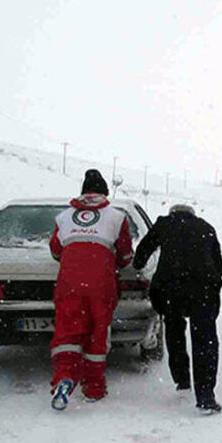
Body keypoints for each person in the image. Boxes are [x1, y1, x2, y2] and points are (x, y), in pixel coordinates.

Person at [47, 169, 133, 410]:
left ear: (83, 192)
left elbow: (55, 250)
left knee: (67, 332)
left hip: (69, 282)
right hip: (101, 284)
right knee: (97, 332)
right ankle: (93, 388)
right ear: (105, 193)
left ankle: (64, 377)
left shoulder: (63, 217)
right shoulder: (117, 217)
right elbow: (126, 255)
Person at [133, 203, 222, 413]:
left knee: (174, 330)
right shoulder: (206, 227)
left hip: (171, 288)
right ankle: (206, 397)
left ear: (172, 213)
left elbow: (143, 250)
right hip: (203, 289)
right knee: (205, 339)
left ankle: (182, 380)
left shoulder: (165, 224)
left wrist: (138, 265)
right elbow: (218, 266)